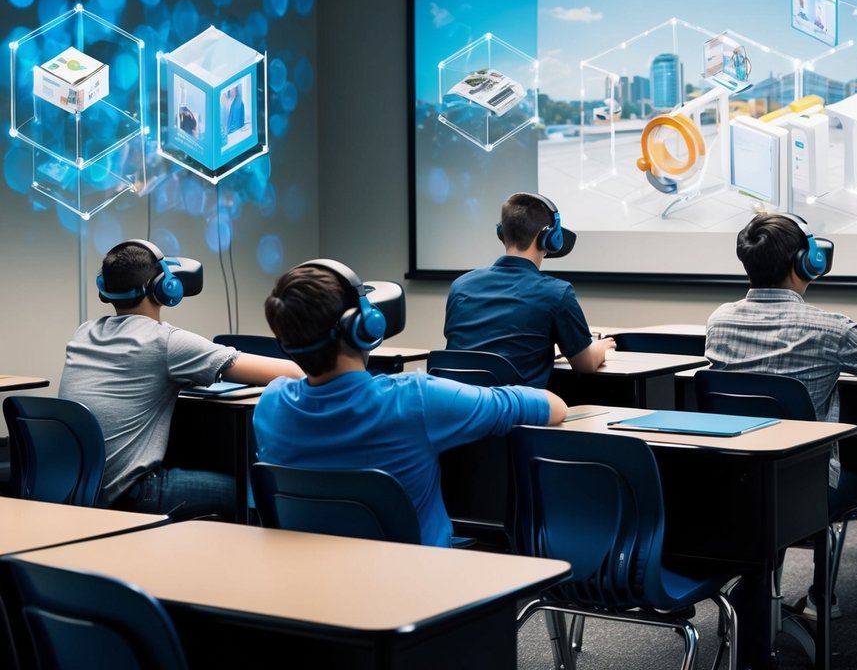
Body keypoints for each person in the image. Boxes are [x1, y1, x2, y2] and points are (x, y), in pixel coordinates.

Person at [255, 258, 568, 547]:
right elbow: (550, 407)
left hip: (310, 594)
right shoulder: (415, 400)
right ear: (364, 326)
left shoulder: (270, 405)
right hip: (416, 593)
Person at [706, 213, 857, 619]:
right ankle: (822, 597)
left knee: (773, 485)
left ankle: (754, 596)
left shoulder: (719, 321)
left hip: (736, 481)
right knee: (849, 473)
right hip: (806, 490)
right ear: (807, 262)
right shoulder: (831, 329)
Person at [60, 239, 302, 520]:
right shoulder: (165, 342)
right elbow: (293, 373)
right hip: (131, 495)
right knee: (245, 490)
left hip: (79, 490)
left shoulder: (83, 332)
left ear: (105, 288)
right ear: (165, 287)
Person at [444, 192, 613, 387]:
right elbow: (586, 363)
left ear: (502, 233)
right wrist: (601, 347)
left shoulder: (461, 285)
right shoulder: (556, 293)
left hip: (458, 406)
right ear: (550, 237)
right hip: (514, 411)